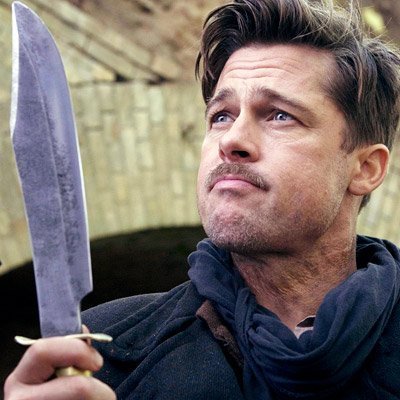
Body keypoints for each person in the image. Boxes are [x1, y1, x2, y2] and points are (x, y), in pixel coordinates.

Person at [4, 0, 400, 399]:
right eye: (221, 115)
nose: (232, 139)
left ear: (366, 168)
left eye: (280, 115)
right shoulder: (98, 361)